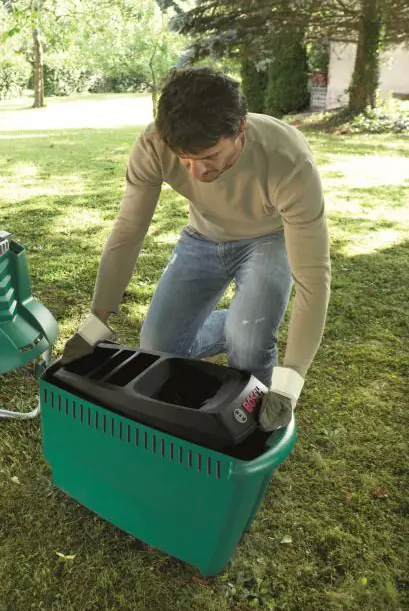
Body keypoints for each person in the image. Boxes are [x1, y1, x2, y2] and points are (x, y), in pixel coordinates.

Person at [61, 67, 331, 432]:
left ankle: (249, 346)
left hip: (268, 238)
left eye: (210, 157)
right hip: (202, 236)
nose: (197, 172)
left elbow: (313, 277)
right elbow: (128, 230)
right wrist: (97, 320)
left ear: (240, 130)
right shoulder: (155, 144)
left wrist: (290, 381)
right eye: (185, 159)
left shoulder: (288, 160)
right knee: (155, 346)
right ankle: (241, 322)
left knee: (249, 344)